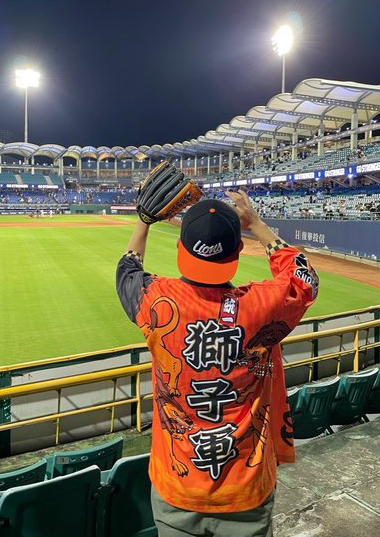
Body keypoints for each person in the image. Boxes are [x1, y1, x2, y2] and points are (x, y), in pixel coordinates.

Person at [116, 190, 318, 537]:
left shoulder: (157, 301)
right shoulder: (263, 305)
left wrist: (144, 222)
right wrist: (256, 224)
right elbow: (305, 278)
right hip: (246, 491)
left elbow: (127, 272)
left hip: (177, 489)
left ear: (179, 249)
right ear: (237, 251)